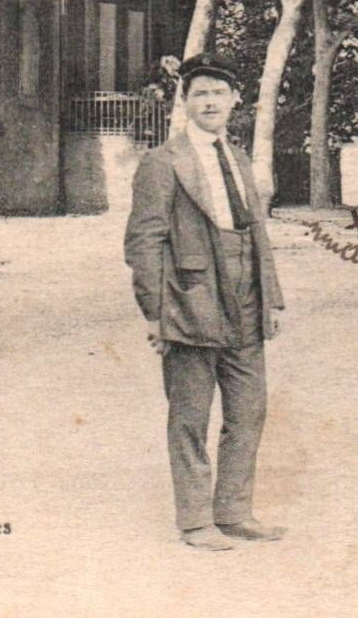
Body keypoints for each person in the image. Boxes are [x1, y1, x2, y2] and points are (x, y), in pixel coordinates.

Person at [123, 53, 287, 551]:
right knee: (190, 417)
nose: (210, 101)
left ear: (236, 100)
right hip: (189, 303)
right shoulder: (161, 163)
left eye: (219, 92)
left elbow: (258, 233)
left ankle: (234, 512)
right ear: (186, 102)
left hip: (246, 300)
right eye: (200, 93)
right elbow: (143, 242)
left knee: (249, 412)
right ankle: (195, 522)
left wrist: (272, 299)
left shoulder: (238, 158)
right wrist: (154, 313)